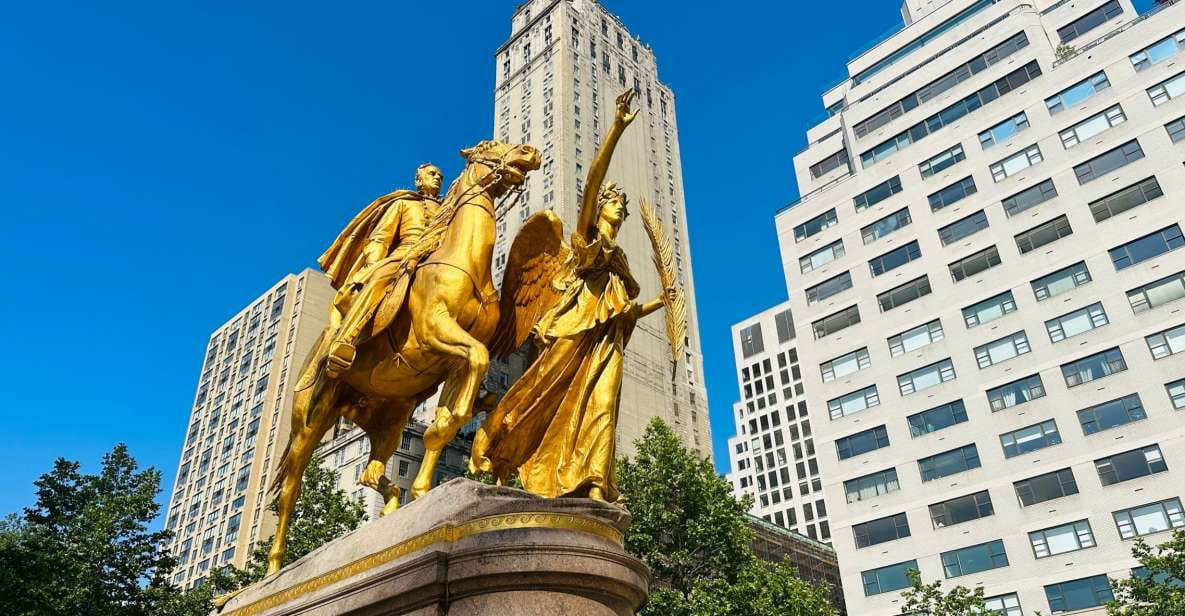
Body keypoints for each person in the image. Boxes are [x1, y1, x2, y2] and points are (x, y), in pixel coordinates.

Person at [471, 91, 671, 501]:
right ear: (599, 209)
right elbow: (594, 180)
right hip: (570, 332)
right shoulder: (585, 239)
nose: (619, 208)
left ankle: (596, 483)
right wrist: (616, 127)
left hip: (605, 342)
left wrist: (662, 303)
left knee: (604, 405)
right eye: (613, 203)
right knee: (539, 393)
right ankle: (499, 445)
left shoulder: (620, 262)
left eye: (622, 206)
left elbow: (625, 311)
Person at [319, 163, 443, 377]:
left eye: (440, 176)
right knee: (379, 279)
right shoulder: (404, 203)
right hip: (403, 256)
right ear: (418, 180)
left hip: (437, 260)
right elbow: (380, 238)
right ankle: (345, 339)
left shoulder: (448, 210)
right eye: (432, 174)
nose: (438, 178)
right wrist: (374, 263)